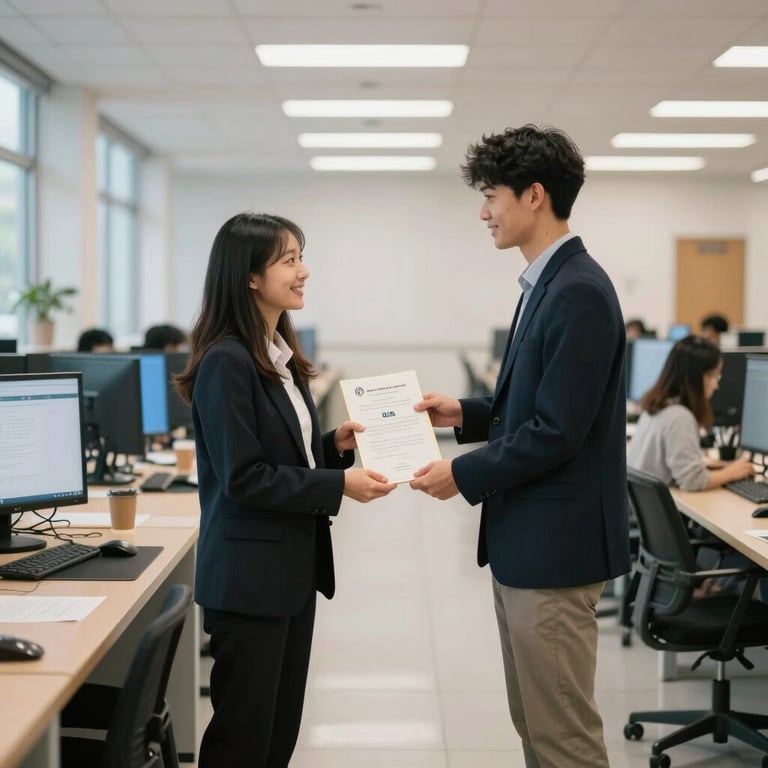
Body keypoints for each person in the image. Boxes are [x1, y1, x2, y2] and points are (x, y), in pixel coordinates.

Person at [409, 124, 630, 768]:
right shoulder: (547, 283)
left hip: (555, 550)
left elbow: (559, 432)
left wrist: (464, 472)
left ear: (534, 196)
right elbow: (540, 406)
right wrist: (468, 413)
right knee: (533, 723)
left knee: (562, 735)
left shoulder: (579, 291)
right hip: (528, 542)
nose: (483, 212)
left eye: (491, 196)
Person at [174, 212, 396, 768]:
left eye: (301, 257)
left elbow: (281, 454)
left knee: (276, 737)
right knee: (243, 743)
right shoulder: (227, 360)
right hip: (250, 582)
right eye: (290, 260)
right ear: (250, 276)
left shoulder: (275, 354)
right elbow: (245, 477)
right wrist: (337, 484)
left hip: (288, 574)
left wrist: (332, 448)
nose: (304, 272)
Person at [628, 335, 754, 490]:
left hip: (640, 512)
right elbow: (692, 481)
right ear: (696, 376)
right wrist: (731, 473)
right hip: (668, 510)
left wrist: (719, 466)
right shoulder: (679, 417)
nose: (716, 385)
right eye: (714, 375)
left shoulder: (658, 407)